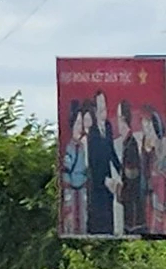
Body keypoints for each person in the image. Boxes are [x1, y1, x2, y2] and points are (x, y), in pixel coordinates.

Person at [85, 94, 120, 237]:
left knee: (108, 209)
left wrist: (120, 170)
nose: (103, 110)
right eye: (100, 107)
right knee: (98, 210)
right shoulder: (92, 132)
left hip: (108, 176)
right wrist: (102, 179)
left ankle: (109, 233)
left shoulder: (108, 126)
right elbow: (92, 160)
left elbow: (111, 151)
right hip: (97, 180)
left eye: (104, 106)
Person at [62, 104, 91, 236]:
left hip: (83, 187)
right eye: (78, 123)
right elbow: (66, 169)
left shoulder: (84, 144)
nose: (80, 127)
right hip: (71, 189)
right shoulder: (70, 147)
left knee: (84, 217)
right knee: (71, 218)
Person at [121, 100, 148, 236]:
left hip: (133, 200)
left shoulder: (130, 144)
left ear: (123, 120)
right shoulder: (126, 142)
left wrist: (120, 181)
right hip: (129, 199)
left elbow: (133, 173)